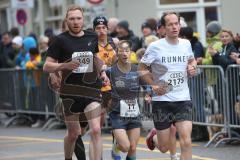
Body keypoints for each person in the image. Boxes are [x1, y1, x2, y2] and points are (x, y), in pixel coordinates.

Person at [43, 5, 109, 160]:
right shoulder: (59, 40)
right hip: (70, 93)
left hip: (91, 90)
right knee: (74, 134)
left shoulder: (91, 37)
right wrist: (64, 65)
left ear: (83, 19)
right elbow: (47, 66)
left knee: (96, 129)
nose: (75, 22)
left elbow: (95, 58)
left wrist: (102, 72)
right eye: (72, 19)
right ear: (67, 20)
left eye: (78, 18)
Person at [138, 12, 197, 160]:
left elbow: (192, 60)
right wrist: (153, 85)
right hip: (162, 101)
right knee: (164, 148)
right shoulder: (155, 47)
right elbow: (142, 68)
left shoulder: (186, 44)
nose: (174, 27)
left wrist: (192, 67)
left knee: (186, 141)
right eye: (170, 24)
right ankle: (154, 137)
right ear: (163, 28)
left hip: (183, 99)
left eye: (176, 23)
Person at [108, 40, 142, 160]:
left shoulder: (137, 69)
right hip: (117, 113)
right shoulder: (110, 71)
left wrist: (149, 93)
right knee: (125, 146)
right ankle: (116, 148)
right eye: (121, 51)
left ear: (131, 52)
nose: (124, 53)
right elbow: (101, 86)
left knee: (133, 147)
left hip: (134, 113)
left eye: (127, 51)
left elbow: (147, 85)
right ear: (117, 53)